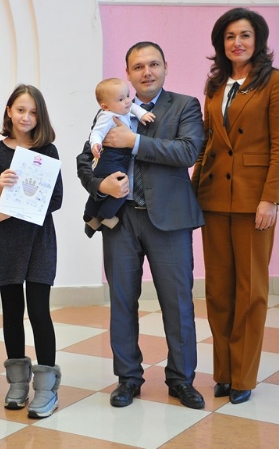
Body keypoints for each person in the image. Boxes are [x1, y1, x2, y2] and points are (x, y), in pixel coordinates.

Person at [76, 42, 206, 409]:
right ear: (128, 73)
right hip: (120, 219)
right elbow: (86, 158)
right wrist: (99, 185)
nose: (146, 72)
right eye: (138, 66)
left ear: (165, 67)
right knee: (121, 300)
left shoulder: (185, 105)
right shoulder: (111, 106)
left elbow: (187, 151)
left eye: (153, 64)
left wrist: (134, 142)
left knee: (177, 302)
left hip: (170, 220)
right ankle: (128, 378)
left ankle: (181, 379)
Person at [191, 8, 279, 405]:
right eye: (230, 36)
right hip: (214, 197)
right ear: (222, 43)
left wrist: (271, 198)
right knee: (218, 291)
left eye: (245, 35)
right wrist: (192, 187)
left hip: (254, 201)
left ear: (258, 40)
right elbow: (207, 142)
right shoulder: (215, 85)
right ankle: (223, 372)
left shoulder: (276, 82)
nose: (237, 42)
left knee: (250, 291)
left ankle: (244, 376)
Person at [0, 84, 64, 419]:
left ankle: (46, 387)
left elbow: (55, 200)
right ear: (8, 112)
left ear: (40, 116)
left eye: (32, 112)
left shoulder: (48, 151)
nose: (26, 117)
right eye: (20, 110)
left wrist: (13, 211)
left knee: (40, 311)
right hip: (6, 241)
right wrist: (0, 187)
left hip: (40, 240)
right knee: (12, 311)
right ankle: (17, 382)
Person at [84, 78, 154, 233]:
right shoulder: (107, 116)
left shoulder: (124, 108)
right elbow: (96, 132)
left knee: (108, 190)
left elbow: (134, 107)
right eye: (121, 99)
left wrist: (143, 115)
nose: (128, 101)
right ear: (105, 107)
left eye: (128, 95)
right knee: (122, 190)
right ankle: (105, 216)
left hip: (117, 159)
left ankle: (89, 215)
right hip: (111, 158)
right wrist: (96, 144)